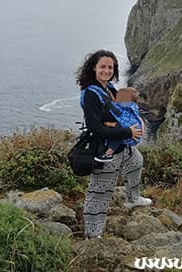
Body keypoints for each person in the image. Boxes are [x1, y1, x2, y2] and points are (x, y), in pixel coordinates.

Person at [76, 49, 152, 239]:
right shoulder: (91, 94)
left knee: (136, 162)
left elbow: (122, 108)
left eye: (110, 67)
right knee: (100, 192)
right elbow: (95, 128)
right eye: (102, 67)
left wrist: (136, 119)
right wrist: (128, 131)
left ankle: (133, 199)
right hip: (105, 150)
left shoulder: (108, 88)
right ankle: (93, 234)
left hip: (120, 144)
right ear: (93, 68)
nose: (107, 71)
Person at [95, 87, 146, 163]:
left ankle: (108, 153)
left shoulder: (125, 105)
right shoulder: (132, 105)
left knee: (118, 135)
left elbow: (122, 122)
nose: (117, 98)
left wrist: (110, 124)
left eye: (120, 96)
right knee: (119, 132)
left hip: (132, 133)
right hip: (135, 132)